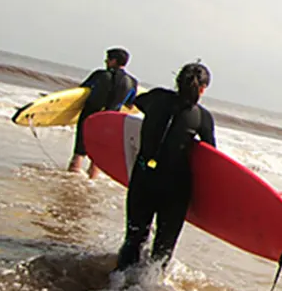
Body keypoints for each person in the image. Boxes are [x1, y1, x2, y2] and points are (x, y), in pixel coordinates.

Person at [114, 62, 215, 274]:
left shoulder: (157, 98)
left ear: (177, 81)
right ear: (203, 88)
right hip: (175, 189)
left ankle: (119, 282)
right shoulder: (202, 117)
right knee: (163, 248)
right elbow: (211, 157)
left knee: (134, 237)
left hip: (143, 178)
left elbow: (134, 101)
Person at [69, 47, 139, 179]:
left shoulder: (100, 75)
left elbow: (81, 93)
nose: (106, 61)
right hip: (110, 122)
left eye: (108, 59)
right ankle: (90, 183)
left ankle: (71, 181)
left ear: (114, 61)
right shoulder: (132, 82)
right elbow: (130, 104)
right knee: (98, 158)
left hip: (90, 118)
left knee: (79, 153)